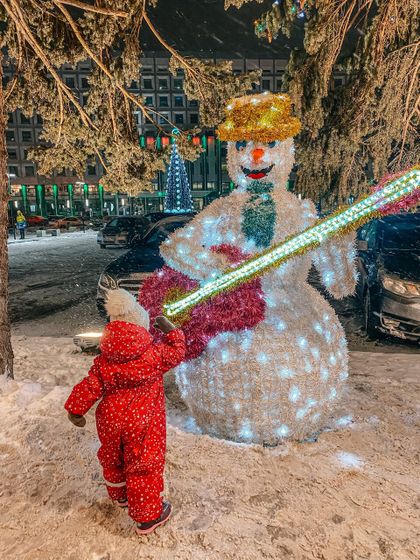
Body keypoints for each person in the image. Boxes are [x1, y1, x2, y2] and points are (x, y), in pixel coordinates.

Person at [64, 289, 185, 535]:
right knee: (142, 464)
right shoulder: (153, 355)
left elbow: (91, 385)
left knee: (113, 457)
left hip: (109, 419)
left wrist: (76, 409)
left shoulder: (104, 359)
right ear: (141, 326)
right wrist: (171, 330)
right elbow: (177, 352)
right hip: (142, 422)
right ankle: (148, 517)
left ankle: (120, 495)